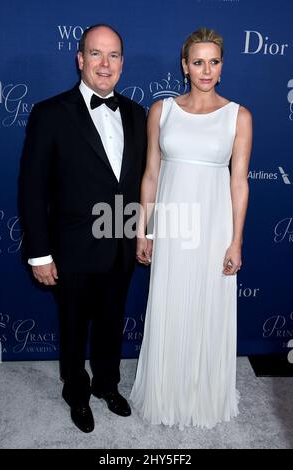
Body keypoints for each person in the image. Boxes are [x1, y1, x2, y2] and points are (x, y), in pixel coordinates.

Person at [19, 24, 146, 433]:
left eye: (113, 56)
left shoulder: (136, 113)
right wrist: (39, 253)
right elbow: (32, 189)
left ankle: (107, 384)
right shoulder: (50, 112)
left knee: (112, 321)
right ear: (80, 59)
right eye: (96, 54)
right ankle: (76, 390)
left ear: (122, 64)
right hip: (72, 247)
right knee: (73, 326)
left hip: (121, 243)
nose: (104, 64)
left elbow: (144, 180)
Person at [130, 27, 252, 429]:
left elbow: (239, 182)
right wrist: (142, 229)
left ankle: (204, 393)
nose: (206, 69)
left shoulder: (239, 116)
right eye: (197, 61)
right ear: (184, 66)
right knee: (170, 302)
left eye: (213, 62)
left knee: (207, 307)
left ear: (222, 66)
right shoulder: (161, 110)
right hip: (173, 224)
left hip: (214, 226)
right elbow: (151, 173)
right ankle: (167, 391)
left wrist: (235, 240)